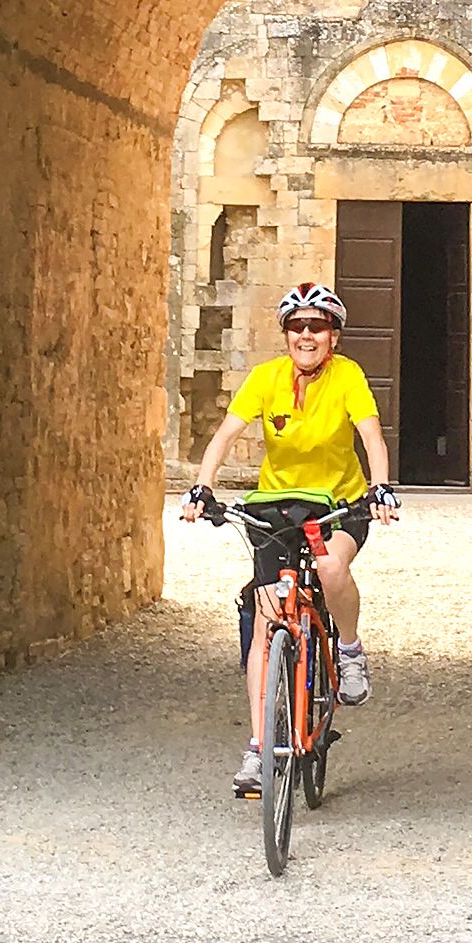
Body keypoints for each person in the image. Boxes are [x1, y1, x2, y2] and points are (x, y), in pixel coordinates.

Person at [181, 281, 399, 796]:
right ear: (285, 335)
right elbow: (225, 434)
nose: (306, 334)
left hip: (338, 505)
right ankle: (259, 749)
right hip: (276, 508)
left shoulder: (347, 377)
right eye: (296, 326)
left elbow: (370, 434)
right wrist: (202, 486)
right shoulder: (266, 379)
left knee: (328, 568)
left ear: (334, 336)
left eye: (317, 326)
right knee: (264, 622)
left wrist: (381, 487)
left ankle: (347, 650)